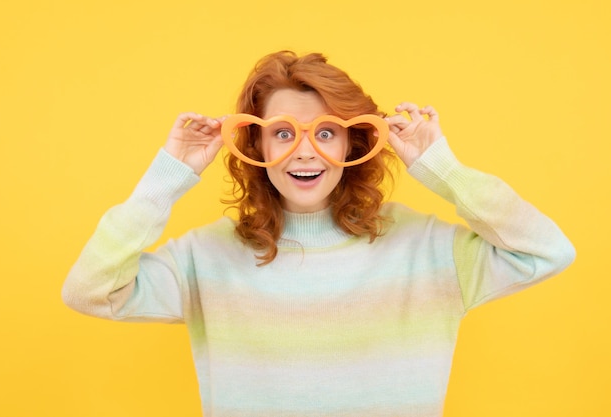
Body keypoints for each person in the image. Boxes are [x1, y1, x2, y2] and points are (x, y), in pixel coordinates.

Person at [62, 50, 575, 417]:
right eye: (283, 133)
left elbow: (547, 252)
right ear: (256, 146)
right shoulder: (207, 257)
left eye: (325, 132)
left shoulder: (426, 249)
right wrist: (168, 176)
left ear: (352, 144)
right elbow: (89, 291)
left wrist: (443, 170)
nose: (304, 151)